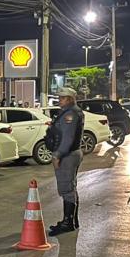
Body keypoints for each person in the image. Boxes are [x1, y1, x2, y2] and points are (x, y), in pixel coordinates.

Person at [47, 87, 85, 236]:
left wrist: (57, 155)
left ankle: (68, 223)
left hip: (67, 155)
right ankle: (72, 220)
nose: (59, 100)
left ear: (69, 99)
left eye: (62, 98)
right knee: (71, 187)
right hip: (72, 153)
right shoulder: (72, 112)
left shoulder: (70, 114)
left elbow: (68, 139)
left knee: (66, 188)